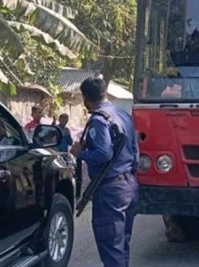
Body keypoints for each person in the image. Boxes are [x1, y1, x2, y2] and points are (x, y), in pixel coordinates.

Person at [72, 78, 139, 267]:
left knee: (111, 246)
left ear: (85, 98)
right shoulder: (123, 114)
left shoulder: (99, 121)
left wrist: (81, 153)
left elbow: (103, 153)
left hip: (110, 191)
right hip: (129, 186)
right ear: (104, 93)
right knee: (121, 243)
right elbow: (135, 149)